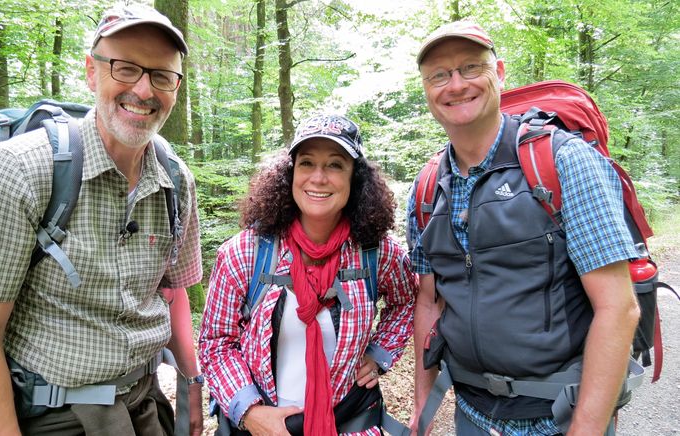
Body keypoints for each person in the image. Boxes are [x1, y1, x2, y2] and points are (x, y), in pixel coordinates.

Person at [0, 4, 204, 435]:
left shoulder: (176, 180)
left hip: (145, 405)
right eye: (125, 68)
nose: (144, 90)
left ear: (176, 87)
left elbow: (171, 291)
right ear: (91, 71)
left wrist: (191, 382)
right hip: (57, 416)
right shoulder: (22, 169)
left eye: (161, 76)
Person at [407, 20, 641, 435]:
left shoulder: (562, 162)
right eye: (439, 75)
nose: (456, 84)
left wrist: (585, 428)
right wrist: (423, 403)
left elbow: (618, 307)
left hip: (560, 416)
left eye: (470, 68)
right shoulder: (428, 187)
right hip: (472, 414)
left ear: (499, 73)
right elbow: (429, 302)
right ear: (426, 89)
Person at [199, 114, 417, 435]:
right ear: (290, 174)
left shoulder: (376, 253)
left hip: (349, 421)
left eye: (335, 164)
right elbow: (215, 344)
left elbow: (407, 301)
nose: (318, 177)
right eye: (307, 163)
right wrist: (249, 410)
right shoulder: (245, 253)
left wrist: (379, 353)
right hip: (262, 426)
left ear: (354, 177)